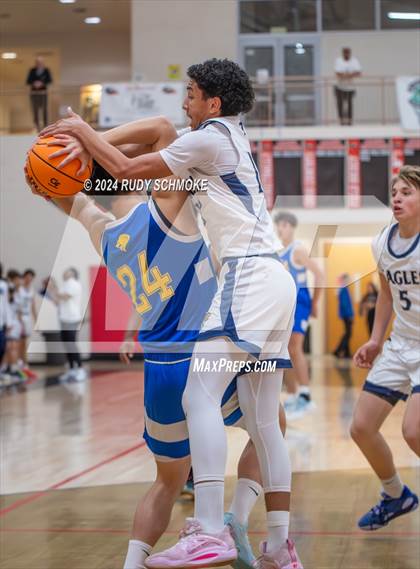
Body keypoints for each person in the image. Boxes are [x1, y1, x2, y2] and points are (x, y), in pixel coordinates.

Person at [41, 57, 303, 569]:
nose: (184, 101)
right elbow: (137, 152)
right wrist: (88, 140)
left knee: (199, 400)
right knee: (267, 421)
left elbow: (101, 181)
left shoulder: (107, 232)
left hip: (214, 306)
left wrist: (75, 144)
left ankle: (206, 532)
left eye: (190, 92)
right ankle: (275, 542)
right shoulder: (182, 187)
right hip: (266, 279)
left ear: (213, 102)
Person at [351, 165, 419, 531]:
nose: (397, 197)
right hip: (400, 345)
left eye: (407, 192)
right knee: (361, 427)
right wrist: (376, 340)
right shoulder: (382, 242)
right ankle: (396, 495)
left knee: (414, 432)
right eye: (394, 191)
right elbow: (387, 296)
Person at [275, 212, 324, 420]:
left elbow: (320, 274)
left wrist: (314, 303)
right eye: (278, 224)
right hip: (286, 303)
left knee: (295, 347)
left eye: (284, 224)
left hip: (300, 300)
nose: (280, 228)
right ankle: (294, 394)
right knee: (284, 350)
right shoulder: (279, 253)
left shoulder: (299, 249)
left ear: (292, 227)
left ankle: (305, 395)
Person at [53, 268, 86, 382]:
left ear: (72, 274)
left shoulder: (73, 283)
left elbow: (65, 296)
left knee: (71, 344)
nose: (64, 272)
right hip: (63, 318)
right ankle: (72, 369)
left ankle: (80, 369)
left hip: (71, 319)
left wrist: (53, 288)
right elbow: (58, 300)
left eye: (67, 271)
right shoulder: (65, 285)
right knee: (67, 344)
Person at [17, 269, 38, 378]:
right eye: (27, 277)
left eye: (31, 277)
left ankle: (23, 365)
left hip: (27, 317)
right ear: (24, 277)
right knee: (19, 343)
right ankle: (21, 365)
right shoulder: (19, 288)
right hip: (18, 318)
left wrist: (36, 319)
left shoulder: (31, 289)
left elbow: (33, 305)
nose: (29, 279)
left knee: (24, 342)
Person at [334, 47, 361, 126]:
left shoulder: (354, 61)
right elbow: (337, 73)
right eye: (345, 52)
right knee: (340, 105)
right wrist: (349, 75)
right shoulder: (338, 61)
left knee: (349, 105)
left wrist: (346, 75)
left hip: (350, 87)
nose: (346, 54)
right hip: (340, 86)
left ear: (350, 53)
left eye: (347, 52)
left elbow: (358, 72)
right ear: (342, 53)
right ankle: (341, 121)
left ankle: (349, 121)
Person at [26, 56, 52, 131]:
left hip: (43, 93)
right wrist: (34, 83)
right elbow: (28, 81)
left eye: (40, 62)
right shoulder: (32, 70)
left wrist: (42, 83)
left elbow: (49, 80)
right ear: (35, 63)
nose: (39, 63)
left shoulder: (46, 70)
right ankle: (37, 126)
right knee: (35, 110)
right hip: (34, 93)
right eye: (37, 62)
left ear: (43, 63)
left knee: (44, 109)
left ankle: (45, 126)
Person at [334, 273, 354, 359]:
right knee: (348, 333)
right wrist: (350, 315)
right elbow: (345, 304)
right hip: (347, 314)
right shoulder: (343, 289)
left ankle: (346, 353)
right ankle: (338, 351)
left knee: (347, 333)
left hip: (346, 314)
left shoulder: (343, 289)